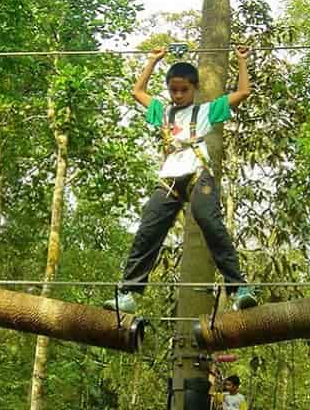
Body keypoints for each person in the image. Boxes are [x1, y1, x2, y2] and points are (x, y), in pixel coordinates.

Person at [103, 46, 257, 314]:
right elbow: (137, 92)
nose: (178, 95)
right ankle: (129, 292)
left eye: (183, 90)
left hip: (198, 173)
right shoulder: (163, 112)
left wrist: (242, 60)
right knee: (148, 230)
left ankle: (239, 288)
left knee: (209, 221)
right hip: (170, 178)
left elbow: (243, 92)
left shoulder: (207, 111)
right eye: (173, 90)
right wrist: (152, 61)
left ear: (194, 88)